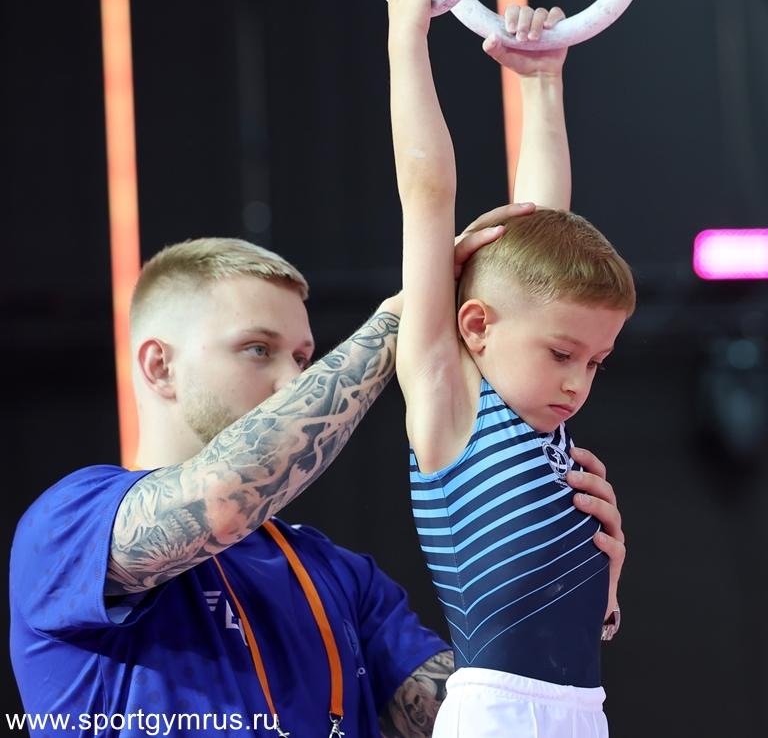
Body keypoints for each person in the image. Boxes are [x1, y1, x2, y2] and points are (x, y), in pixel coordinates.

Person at [10, 184, 626, 736]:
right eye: (258, 349)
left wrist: (567, 592)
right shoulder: (69, 521)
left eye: (304, 358)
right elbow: (221, 499)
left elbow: (467, 713)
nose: (294, 379)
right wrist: (409, 313)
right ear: (159, 365)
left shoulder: (338, 574)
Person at [387, 0, 634, 737]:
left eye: (595, 362)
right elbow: (428, 196)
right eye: (563, 353)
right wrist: (406, 36)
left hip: (582, 710)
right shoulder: (449, 399)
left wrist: (543, 86)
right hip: (496, 711)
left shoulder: (541, 423)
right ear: (475, 324)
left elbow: (542, 225)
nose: (577, 381)